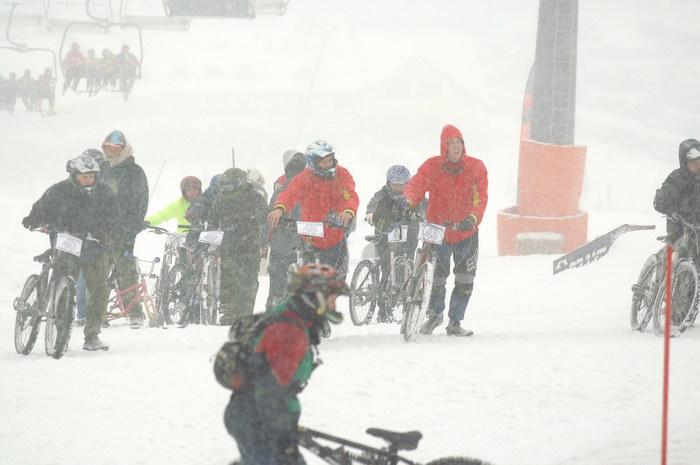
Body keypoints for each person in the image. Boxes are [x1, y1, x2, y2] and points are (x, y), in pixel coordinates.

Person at [224, 263, 349, 465]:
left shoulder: (294, 317)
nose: (334, 307)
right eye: (331, 300)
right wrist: (284, 443)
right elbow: (269, 392)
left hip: (259, 418)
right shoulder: (289, 333)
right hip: (258, 422)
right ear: (314, 298)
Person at [22, 155, 117, 351]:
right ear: (74, 175)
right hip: (67, 242)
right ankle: (61, 331)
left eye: (91, 176)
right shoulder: (59, 190)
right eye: (84, 177)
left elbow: (115, 218)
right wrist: (33, 219)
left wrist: (106, 233)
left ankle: (92, 335)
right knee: (62, 285)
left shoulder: (105, 193)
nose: (88, 180)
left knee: (100, 290)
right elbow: (41, 207)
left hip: (94, 246)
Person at [403, 124, 488, 337]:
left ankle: (455, 321)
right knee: (435, 276)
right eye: (451, 143)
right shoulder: (432, 166)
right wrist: (409, 201)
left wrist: (472, 218)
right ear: (444, 147)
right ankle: (434, 315)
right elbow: (416, 185)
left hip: (465, 231)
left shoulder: (476, 167)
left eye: (459, 142)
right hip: (436, 227)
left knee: (465, 278)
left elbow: (480, 198)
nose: (456, 147)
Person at [267, 140, 359, 281]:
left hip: (333, 234)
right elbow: (290, 193)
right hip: (309, 235)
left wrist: (347, 211)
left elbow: (350, 195)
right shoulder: (304, 177)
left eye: (330, 160)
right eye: (324, 162)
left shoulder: (342, 174)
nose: (329, 164)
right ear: (313, 163)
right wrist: (279, 208)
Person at [202, 168, 267, 325]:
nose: (225, 189)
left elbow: (264, 221)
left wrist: (263, 241)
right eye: (223, 186)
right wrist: (209, 240)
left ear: (240, 184)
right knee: (227, 277)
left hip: (250, 246)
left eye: (229, 186)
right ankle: (229, 311)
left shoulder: (255, 198)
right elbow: (212, 221)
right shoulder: (220, 199)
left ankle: (245, 313)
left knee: (248, 280)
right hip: (228, 246)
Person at [101, 130, 150, 327]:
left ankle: (134, 311)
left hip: (123, 231)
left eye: (115, 149)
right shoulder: (102, 169)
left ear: (123, 149)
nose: (110, 152)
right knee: (99, 273)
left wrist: (132, 226)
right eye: (107, 148)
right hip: (100, 230)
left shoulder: (134, 172)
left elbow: (140, 202)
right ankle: (98, 312)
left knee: (126, 273)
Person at [365, 164, 424, 321]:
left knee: (408, 264)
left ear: (407, 183)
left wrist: (424, 217)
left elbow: (425, 207)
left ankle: (403, 297)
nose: (398, 188)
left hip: (408, 234)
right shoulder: (382, 194)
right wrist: (371, 214)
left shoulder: (414, 194)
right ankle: (382, 307)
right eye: (395, 184)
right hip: (386, 233)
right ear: (388, 183)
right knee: (386, 266)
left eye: (401, 185)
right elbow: (373, 205)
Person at [265, 150, 306, 311]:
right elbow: (270, 216)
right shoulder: (282, 192)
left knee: (278, 272)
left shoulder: (281, 190)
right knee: (279, 271)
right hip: (289, 239)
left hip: (293, 238)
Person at [653, 139, 700, 242]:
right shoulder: (677, 178)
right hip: (680, 235)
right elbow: (659, 202)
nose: (697, 165)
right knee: (673, 249)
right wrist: (674, 210)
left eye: (699, 160)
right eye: (692, 162)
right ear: (684, 162)